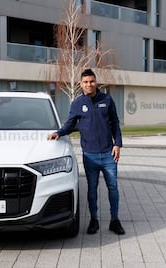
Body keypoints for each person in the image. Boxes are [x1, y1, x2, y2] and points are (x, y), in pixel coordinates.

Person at [47, 68, 125, 235]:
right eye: (86, 82)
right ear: (81, 84)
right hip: (90, 155)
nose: (89, 84)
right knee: (92, 189)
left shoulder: (107, 99)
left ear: (96, 82)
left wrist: (117, 144)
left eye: (92, 81)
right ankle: (94, 220)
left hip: (108, 154)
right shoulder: (77, 104)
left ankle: (114, 220)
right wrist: (58, 133)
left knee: (113, 188)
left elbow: (115, 123)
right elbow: (70, 124)